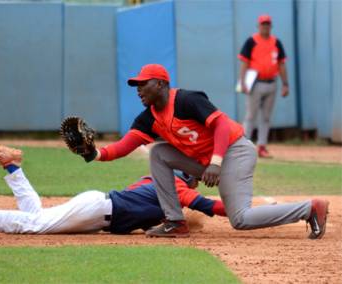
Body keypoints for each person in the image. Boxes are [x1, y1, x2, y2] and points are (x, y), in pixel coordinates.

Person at [78, 63, 328, 239]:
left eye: (144, 84)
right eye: (137, 85)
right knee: (158, 153)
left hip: (234, 152)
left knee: (240, 219)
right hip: (206, 162)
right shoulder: (148, 119)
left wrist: (216, 163)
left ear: (161, 84)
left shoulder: (186, 100)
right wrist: (94, 154)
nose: (139, 89)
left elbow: (220, 125)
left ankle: (308, 208)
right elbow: (124, 146)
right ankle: (175, 222)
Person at [0, 144, 226, 235]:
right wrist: (240, 211)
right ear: (187, 176)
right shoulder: (176, 187)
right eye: (196, 179)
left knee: (38, 215)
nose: (196, 184)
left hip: (97, 208)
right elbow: (208, 205)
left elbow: (143, 217)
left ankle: (13, 167)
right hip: (98, 211)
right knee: (35, 225)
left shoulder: (152, 181)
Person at [238, 14, 289, 158]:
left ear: (271, 26)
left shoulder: (276, 42)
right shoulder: (252, 41)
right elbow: (245, 63)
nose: (265, 26)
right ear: (258, 26)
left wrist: (285, 84)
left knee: (266, 117)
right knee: (250, 116)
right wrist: (242, 82)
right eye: (263, 24)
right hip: (255, 83)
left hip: (272, 82)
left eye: (267, 24)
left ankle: (262, 146)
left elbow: (281, 64)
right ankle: (242, 147)